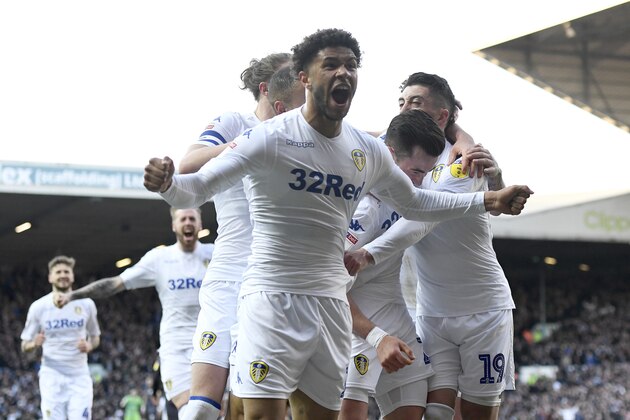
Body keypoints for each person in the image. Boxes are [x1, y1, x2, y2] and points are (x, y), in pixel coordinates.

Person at [143, 28, 532, 420]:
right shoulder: (268, 138)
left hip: (331, 309)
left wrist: (489, 199)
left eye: (351, 65)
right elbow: (194, 189)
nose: (343, 72)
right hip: (273, 299)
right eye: (330, 64)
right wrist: (168, 183)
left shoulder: (366, 149)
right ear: (305, 78)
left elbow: (416, 203)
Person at [346, 72, 516, 420]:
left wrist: (370, 253)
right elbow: (344, 136)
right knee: (436, 414)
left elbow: (421, 219)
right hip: (432, 312)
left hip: (483, 309)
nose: (405, 107)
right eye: (402, 102)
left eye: (416, 102)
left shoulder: (461, 161)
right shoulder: (399, 156)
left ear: (442, 116)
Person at [180, 60, 305, 420]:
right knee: (201, 409)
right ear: (267, 87)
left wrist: (460, 137)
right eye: (291, 76)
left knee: (258, 406)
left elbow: (377, 141)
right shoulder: (237, 122)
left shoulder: (302, 134)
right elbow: (189, 163)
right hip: (230, 272)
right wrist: (247, 144)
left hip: (277, 282)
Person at [55, 207, 214, 416]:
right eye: (182, 218)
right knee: (191, 411)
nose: (188, 222)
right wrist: (73, 295)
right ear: (174, 225)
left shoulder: (215, 254)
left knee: (215, 410)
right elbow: (115, 284)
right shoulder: (160, 259)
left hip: (212, 342)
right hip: (175, 347)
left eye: (192, 218)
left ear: (200, 224)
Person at [340, 109, 445, 420]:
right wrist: (375, 336)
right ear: (389, 157)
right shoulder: (361, 211)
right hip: (347, 318)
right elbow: (325, 288)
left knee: (415, 401)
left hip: (391, 305)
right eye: (415, 172)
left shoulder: (408, 178)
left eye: (427, 173)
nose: (420, 183)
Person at [20, 255, 101, 419]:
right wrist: (34, 344)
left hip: (79, 376)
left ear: (72, 276)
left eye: (66, 271)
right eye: (58, 272)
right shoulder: (39, 307)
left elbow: (95, 337)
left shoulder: (86, 304)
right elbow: (24, 345)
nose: (63, 275)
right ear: (50, 277)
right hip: (52, 377)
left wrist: (90, 346)